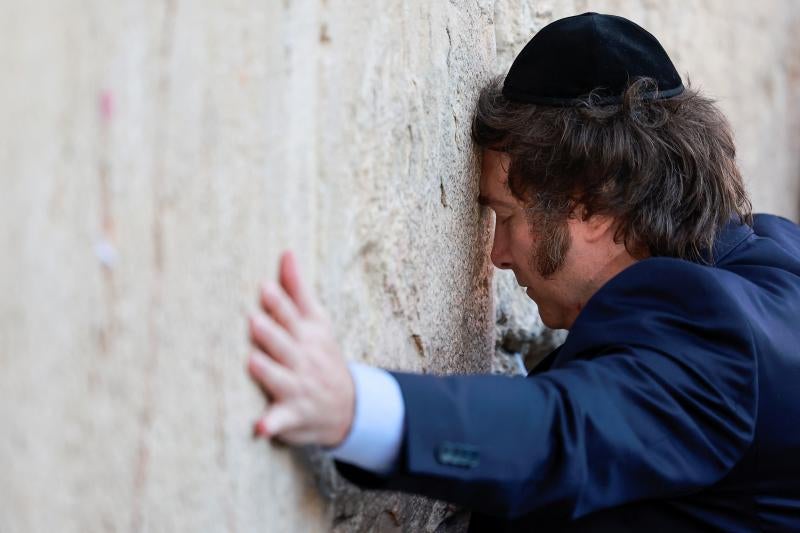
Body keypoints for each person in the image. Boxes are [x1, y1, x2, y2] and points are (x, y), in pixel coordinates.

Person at [245, 12, 800, 531]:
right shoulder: (773, 262)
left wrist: (354, 407)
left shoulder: (716, 333)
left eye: (506, 216)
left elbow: (563, 434)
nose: (498, 255)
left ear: (592, 203)